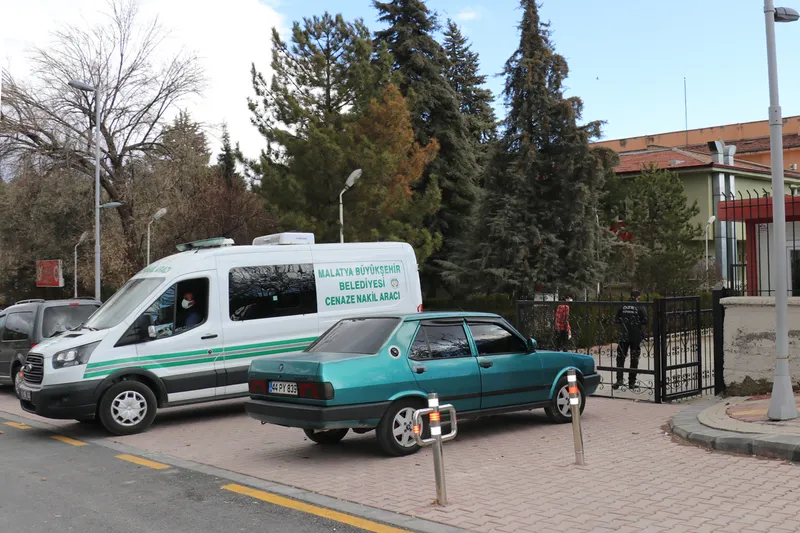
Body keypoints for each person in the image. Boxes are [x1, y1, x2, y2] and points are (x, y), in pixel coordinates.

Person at [613, 290, 648, 390]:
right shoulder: (640, 306)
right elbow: (645, 321)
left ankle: (619, 380)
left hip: (624, 335)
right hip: (635, 336)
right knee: (634, 359)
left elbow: (617, 319)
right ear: (638, 297)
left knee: (620, 358)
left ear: (630, 296)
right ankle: (631, 382)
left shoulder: (623, 305)